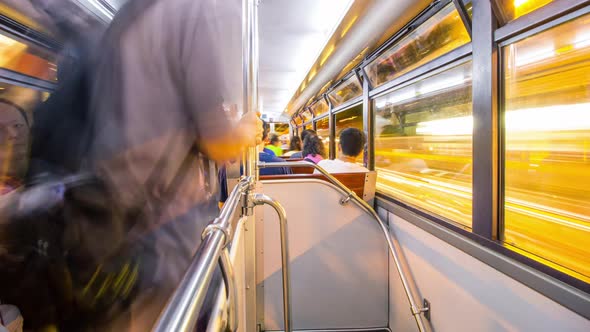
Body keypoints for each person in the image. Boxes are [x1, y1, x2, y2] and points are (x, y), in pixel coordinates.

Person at [67, 0, 259, 330]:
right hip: (166, 231)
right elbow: (219, 143)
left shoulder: (125, 21)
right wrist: (245, 130)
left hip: (110, 221)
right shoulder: (194, 11)